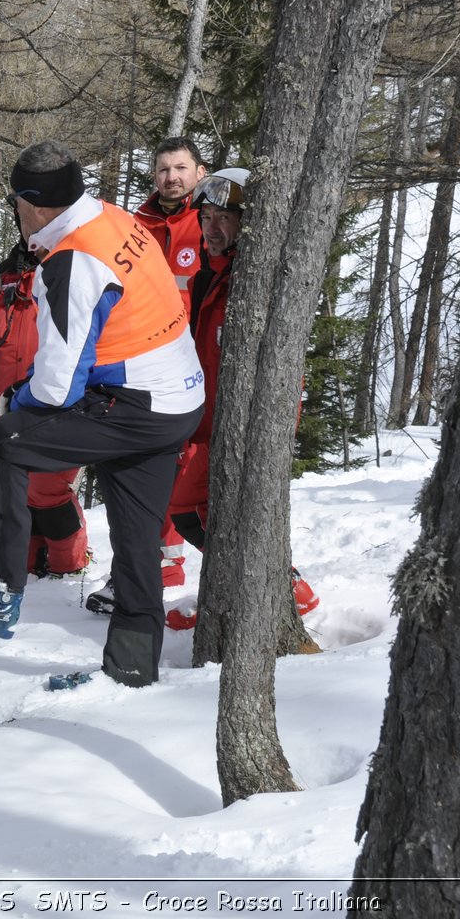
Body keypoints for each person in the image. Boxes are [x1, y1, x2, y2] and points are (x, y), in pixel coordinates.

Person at [0, 142, 204, 688]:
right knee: (138, 540)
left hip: (136, 403)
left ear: (31, 203)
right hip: (176, 399)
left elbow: (57, 389)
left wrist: (11, 404)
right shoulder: (112, 216)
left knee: (1, 441)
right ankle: (133, 669)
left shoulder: (69, 261)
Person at [164, 170, 319, 627]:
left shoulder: (258, 282)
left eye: (224, 218)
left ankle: (286, 589)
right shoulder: (204, 281)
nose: (211, 229)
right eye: (206, 218)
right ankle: (229, 595)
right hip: (206, 422)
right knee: (201, 510)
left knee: (197, 508)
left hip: (246, 425)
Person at [0, 223, 89, 581]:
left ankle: (69, 563)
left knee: (47, 488)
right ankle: (28, 565)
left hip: (57, 402)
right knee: (15, 491)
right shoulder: (3, 277)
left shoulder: (72, 266)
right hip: (9, 406)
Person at [134, 137, 209, 588]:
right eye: (163, 169)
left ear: (200, 172)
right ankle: (160, 566)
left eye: (180, 168)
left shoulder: (210, 221)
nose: (172, 177)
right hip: (145, 361)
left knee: (190, 467)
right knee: (150, 462)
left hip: (198, 360)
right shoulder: (136, 224)